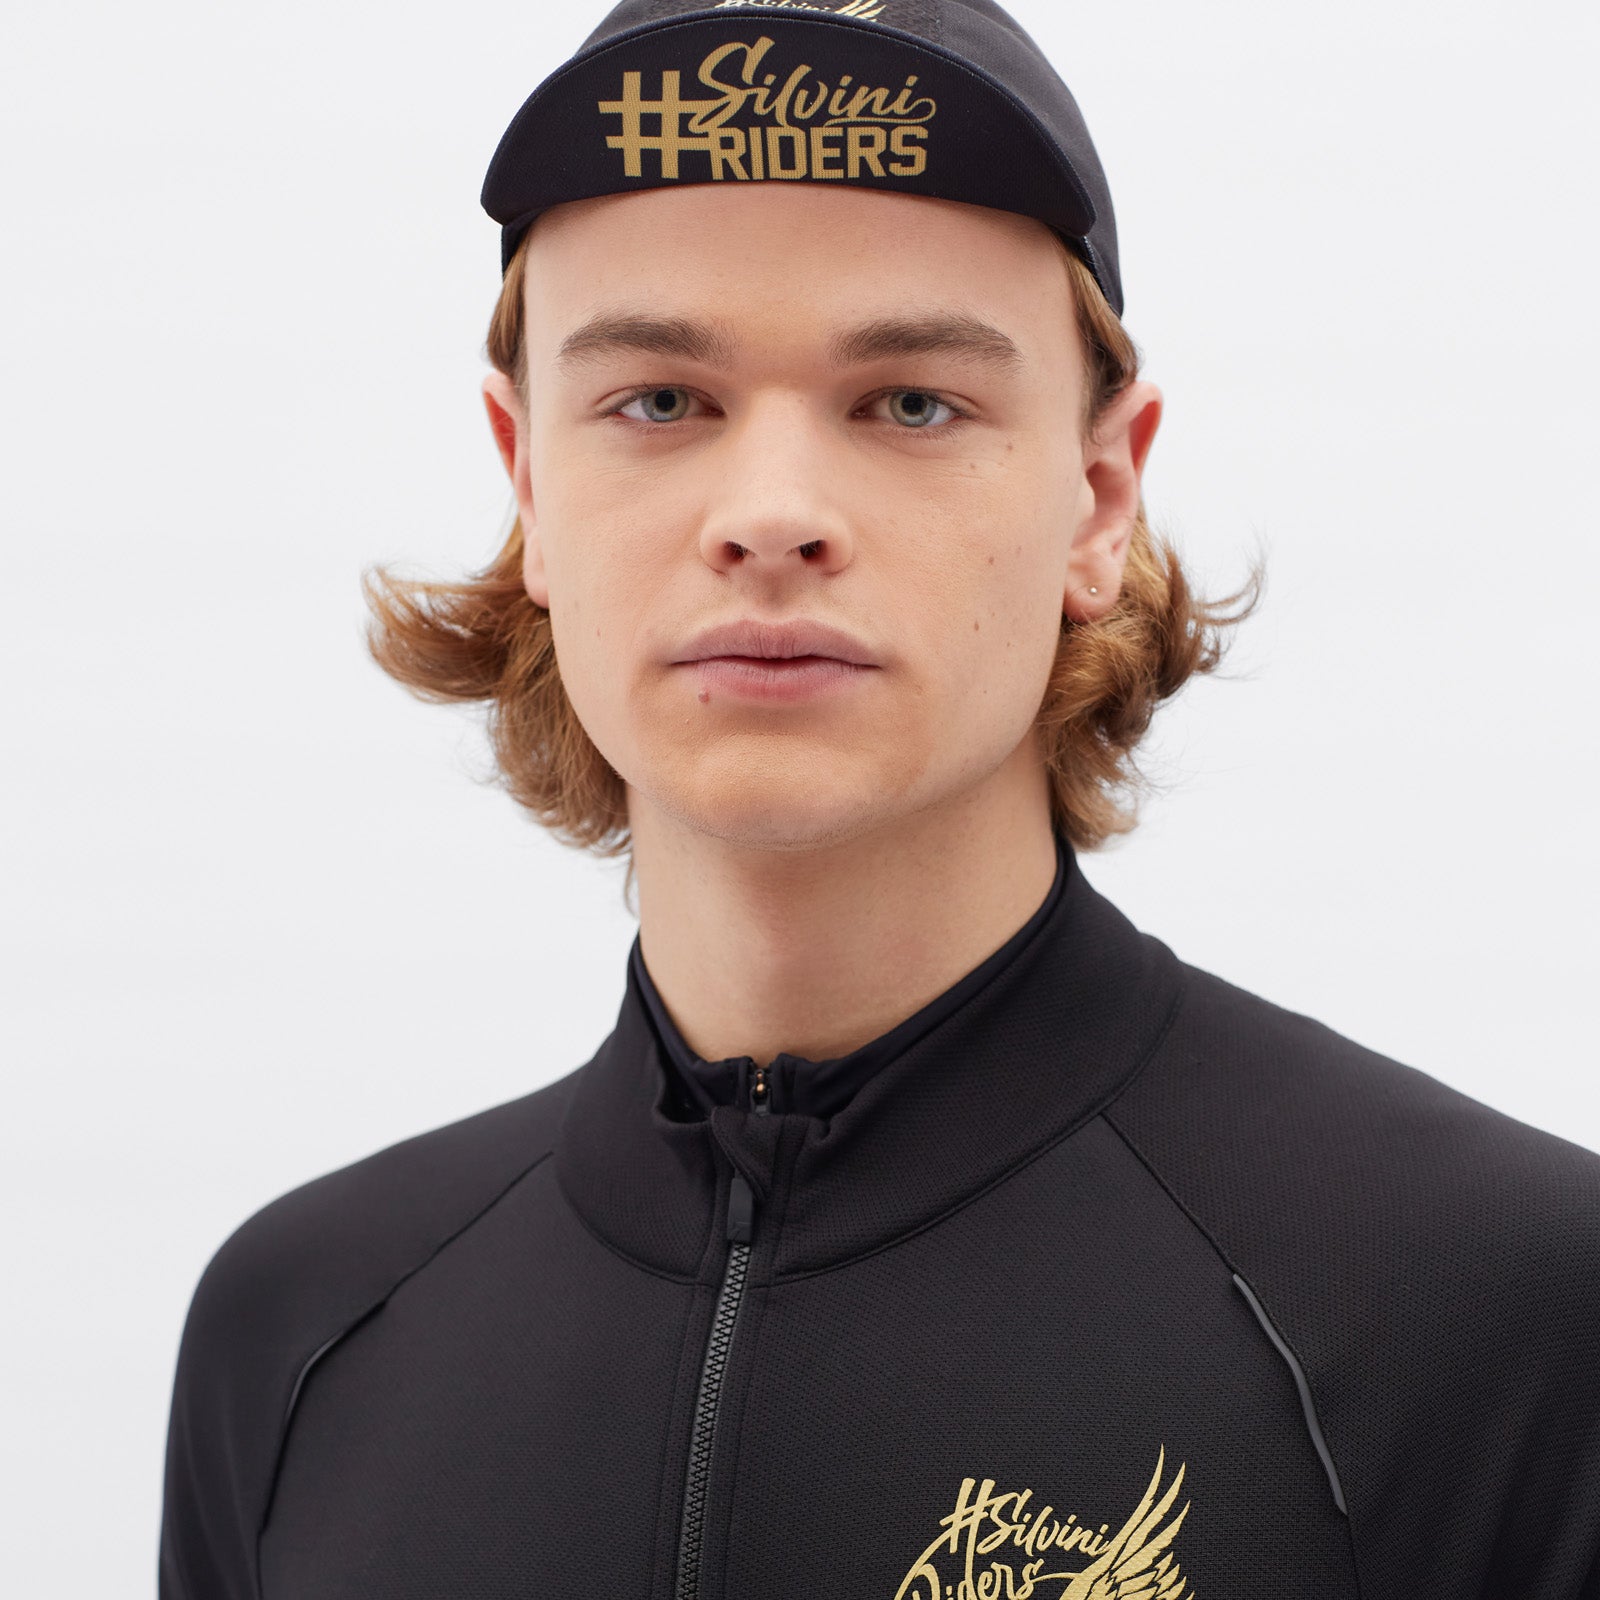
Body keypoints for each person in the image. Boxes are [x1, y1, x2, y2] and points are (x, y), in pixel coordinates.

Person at [157, 2, 1600, 1595]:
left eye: (912, 401)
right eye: (659, 400)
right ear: (528, 485)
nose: (772, 515)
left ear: (1099, 497)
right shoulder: (302, 1341)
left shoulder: (1497, 1313)